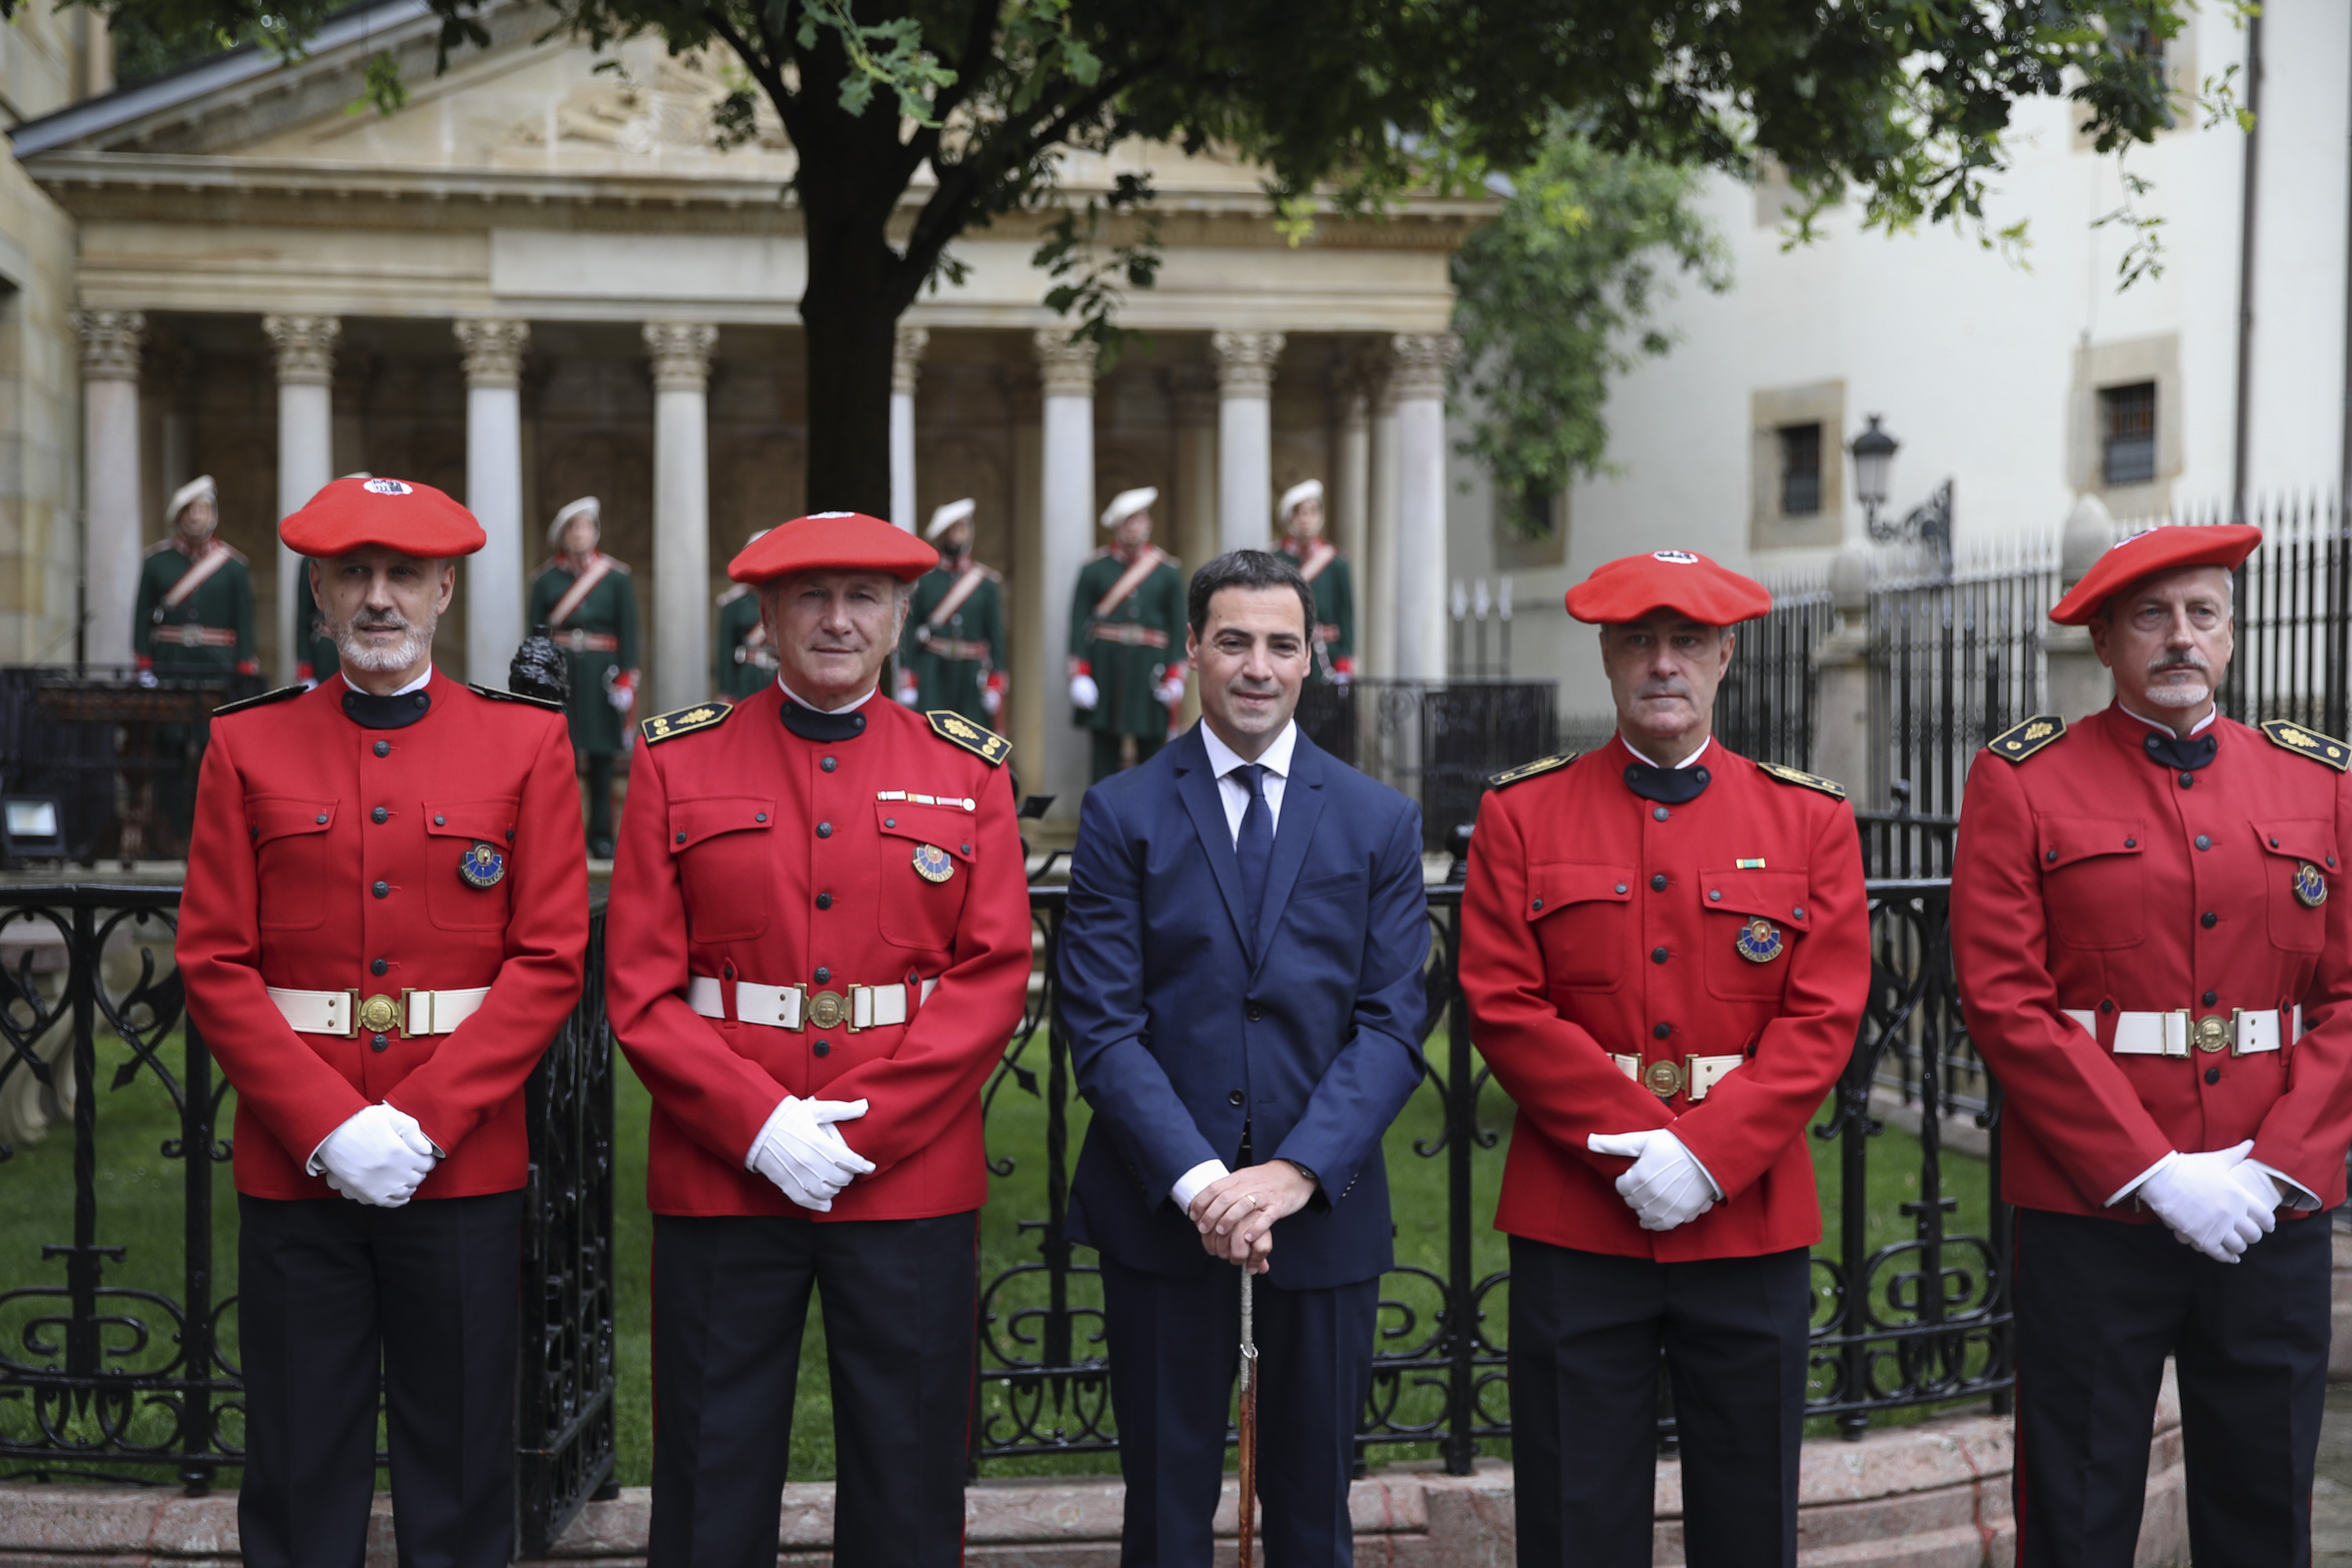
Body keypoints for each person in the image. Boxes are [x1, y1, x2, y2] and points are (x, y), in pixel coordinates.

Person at [605, 510, 1034, 1568]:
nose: (837, 620)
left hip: (908, 1174)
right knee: (711, 1472)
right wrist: (759, 1126)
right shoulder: (677, 760)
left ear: (899, 621)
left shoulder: (966, 770)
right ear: (765, 617)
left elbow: (991, 976)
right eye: (811, 598)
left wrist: (866, 1127)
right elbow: (643, 987)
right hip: (725, 1170)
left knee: (911, 1474)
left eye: (863, 600)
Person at [176, 474, 588, 1568]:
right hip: (296, 1162)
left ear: (445, 591)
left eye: (404, 574)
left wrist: (422, 1123)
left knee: (458, 1473)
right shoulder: (246, 747)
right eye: (353, 573)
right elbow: (215, 961)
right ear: (318, 589)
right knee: (301, 1465)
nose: (378, 598)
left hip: (456, 1165)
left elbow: (547, 961)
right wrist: (328, 1122)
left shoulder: (524, 748)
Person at [1457, 548, 1870, 1568]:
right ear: (1606, 657)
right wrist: (1647, 1149)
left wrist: (1706, 1158)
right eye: (1639, 641)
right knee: (1573, 1516)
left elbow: (1824, 1014)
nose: (1663, 663)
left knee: (1750, 1515)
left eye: (1687, 641)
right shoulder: (1523, 811)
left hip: (1749, 1216)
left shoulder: (1808, 819)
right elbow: (1504, 1006)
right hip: (1578, 1214)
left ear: (1724, 657)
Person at [1950, 523, 2352, 1567]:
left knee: (2264, 1509)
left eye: (2203, 614)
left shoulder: (2319, 786)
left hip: (2270, 1208)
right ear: (2105, 641)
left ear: (2231, 633)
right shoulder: (2024, 781)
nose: (2181, 637)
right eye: (2151, 616)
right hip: (2095, 1208)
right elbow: (2004, 998)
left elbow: (2347, 996)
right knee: (2078, 1510)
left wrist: (2278, 1169)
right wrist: (2152, 1172)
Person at [1059, 548, 1430, 1566]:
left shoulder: (1378, 821)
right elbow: (1102, 1023)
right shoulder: (1122, 814)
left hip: (1324, 1224)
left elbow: (1394, 1021)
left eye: (1281, 643)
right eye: (1233, 641)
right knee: (1167, 1511)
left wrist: (1291, 1175)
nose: (1257, 666)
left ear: (1312, 658)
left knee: (1315, 1513)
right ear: (1191, 652)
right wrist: (1204, 1186)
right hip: (1161, 1220)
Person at [528, 495, 641, 858]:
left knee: (604, 754)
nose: (581, 534)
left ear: (596, 532)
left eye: (586, 526)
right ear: (563, 535)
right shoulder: (545, 580)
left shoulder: (616, 578)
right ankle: (563, 833)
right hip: (561, 674)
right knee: (561, 754)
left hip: (601, 674)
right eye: (574, 528)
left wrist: (627, 676)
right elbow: (536, 635)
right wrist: (537, 678)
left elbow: (629, 630)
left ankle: (602, 833)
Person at [1070, 487, 1187, 782]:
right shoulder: (1095, 569)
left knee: (1154, 755)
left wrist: (1176, 676)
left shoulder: (1167, 572)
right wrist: (1079, 674)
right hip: (1106, 669)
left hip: (1151, 671)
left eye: (1139, 519)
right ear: (1117, 526)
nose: (1133, 526)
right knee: (1103, 756)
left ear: (1148, 523)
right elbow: (1078, 623)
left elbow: (1178, 628)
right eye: (1127, 521)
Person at [135, 475, 259, 682]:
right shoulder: (155, 562)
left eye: (202, 510)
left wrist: (245, 666)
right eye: (189, 511)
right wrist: (144, 665)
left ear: (214, 516)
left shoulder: (234, 567)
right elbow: (141, 616)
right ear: (178, 517)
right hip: (169, 661)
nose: (195, 517)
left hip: (219, 663)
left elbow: (244, 621)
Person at [896, 498, 1007, 726]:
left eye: (962, 529)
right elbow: (908, 629)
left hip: (972, 672)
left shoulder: (986, 584)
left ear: (969, 533)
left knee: (973, 738)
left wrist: (995, 682)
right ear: (942, 535)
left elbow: (996, 635)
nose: (956, 535)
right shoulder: (924, 582)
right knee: (930, 734)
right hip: (932, 670)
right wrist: (909, 678)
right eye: (951, 530)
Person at [1275, 481, 1355, 684]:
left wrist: (1344, 664)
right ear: (1289, 519)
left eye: (1312, 512)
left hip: (1326, 657)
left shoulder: (1336, 563)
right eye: (1300, 513)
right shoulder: (1276, 559)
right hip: (1286, 652)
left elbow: (1345, 615)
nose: (1306, 519)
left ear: (1321, 517)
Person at [713, 529, 775, 700]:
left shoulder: (790, 600)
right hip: (750, 678)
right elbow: (726, 651)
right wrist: (727, 692)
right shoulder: (733, 602)